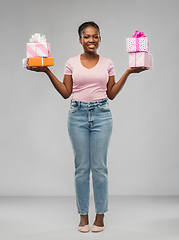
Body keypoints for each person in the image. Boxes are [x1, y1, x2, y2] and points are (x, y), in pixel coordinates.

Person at [27, 21, 148, 233]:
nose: (91, 40)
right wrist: (46, 71)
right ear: (80, 39)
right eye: (86, 36)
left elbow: (111, 94)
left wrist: (128, 71)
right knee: (81, 169)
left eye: (95, 36)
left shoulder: (108, 62)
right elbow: (66, 92)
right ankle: (83, 216)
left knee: (99, 168)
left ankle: (100, 216)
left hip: (102, 115)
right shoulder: (71, 63)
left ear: (100, 39)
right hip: (77, 115)